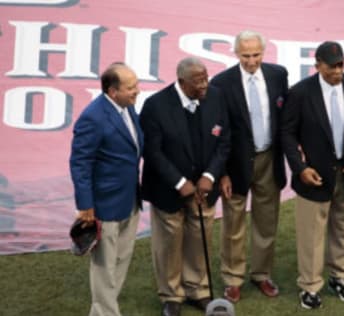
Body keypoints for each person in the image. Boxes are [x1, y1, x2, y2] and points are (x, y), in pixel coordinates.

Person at [281, 41, 344, 309]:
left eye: (341, 65)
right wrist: (300, 168)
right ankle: (309, 285)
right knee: (311, 234)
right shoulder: (299, 93)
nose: (337, 71)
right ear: (317, 65)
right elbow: (286, 133)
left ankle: (341, 278)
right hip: (314, 176)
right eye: (332, 66)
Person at [140, 57, 230, 316]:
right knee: (169, 242)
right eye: (198, 81)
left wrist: (210, 176)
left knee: (199, 239)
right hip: (168, 190)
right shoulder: (155, 105)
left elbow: (224, 140)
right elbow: (153, 152)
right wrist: (180, 182)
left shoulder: (216, 97)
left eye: (206, 78)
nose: (204, 85)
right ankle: (171, 295)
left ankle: (198, 290)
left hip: (204, 190)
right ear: (181, 82)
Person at [209, 30, 288, 303]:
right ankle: (232, 279)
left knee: (267, 220)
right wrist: (222, 173)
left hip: (269, 159)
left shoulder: (279, 75)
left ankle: (262, 274)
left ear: (263, 52)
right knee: (233, 223)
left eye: (256, 54)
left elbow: (284, 117)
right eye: (246, 55)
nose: (252, 60)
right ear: (236, 53)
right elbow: (218, 132)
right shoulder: (221, 83)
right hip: (236, 165)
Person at [69, 62, 143, 316]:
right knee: (104, 264)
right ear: (113, 91)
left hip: (130, 199)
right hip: (104, 204)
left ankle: (102, 311)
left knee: (122, 259)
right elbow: (80, 163)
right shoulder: (93, 117)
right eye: (131, 87)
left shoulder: (127, 108)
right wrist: (85, 204)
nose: (137, 91)